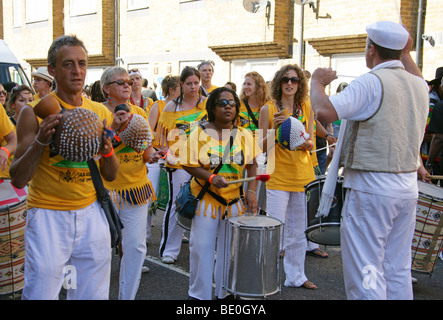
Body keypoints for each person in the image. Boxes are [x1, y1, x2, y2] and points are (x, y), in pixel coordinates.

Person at [310, 21, 429, 300]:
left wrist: (316, 81)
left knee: (367, 269)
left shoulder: (371, 82)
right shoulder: (419, 86)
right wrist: (406, 53)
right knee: (397, 268)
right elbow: (414, 73)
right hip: (406, 188)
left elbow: (325, 111)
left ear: (371, 50)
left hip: (372, 188)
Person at [9, 35, 122, 300]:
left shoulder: (100, 113)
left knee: (91, 294)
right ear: (52, 70)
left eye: (82, 64)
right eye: (68, 64)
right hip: (48, 215)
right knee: (41, 294)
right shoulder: (33, 112)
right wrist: (40, 141)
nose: (77, 71)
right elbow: (17, 178)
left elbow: (111, 174)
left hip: (92, 213)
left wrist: (106, 150)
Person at [183, 87, 260, 300]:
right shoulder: (198, 132)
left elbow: (253, 164)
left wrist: (251, 192)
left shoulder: (245, 134)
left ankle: (224, 292)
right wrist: (209, 177)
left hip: (235, 201)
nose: (228, 107)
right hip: (207, 200)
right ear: (212, 108)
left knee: (229, 251)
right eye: (222, 103)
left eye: (232, 103)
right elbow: (188, 165)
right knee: (201, 249)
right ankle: (199, 296)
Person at [100, 66, 160, 299]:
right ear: (106, 88)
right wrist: (114, 127)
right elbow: (96, 151)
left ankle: (127, 296)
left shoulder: (139, 112)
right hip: (105, 191)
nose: (127, 85)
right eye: (120, 82)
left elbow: (146, 149)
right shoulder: (97, 112)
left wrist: (153, 155)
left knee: (135, 247)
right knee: (100, 250)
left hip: (135, 189)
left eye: (129, 82)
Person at [259, 64, 317, 290]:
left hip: (302, 175)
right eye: (285, 80)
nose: (290, 83)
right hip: (277, 176)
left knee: (298, 230)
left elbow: (312, 143)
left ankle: (296, 276)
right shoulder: (268, 109)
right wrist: (274, 132)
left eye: (294, 80)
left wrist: (304, 142)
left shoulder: (306, 107)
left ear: (300, 84)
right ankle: (266, 277)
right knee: (274, 229)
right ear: (279, 83)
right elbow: (260, 148)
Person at [155, 66, 207, 264]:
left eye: (196, 83)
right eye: (189, 83)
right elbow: (161, 139)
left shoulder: (207, 104)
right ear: (181, 85)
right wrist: (168, 155)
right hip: (178, 165)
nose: (193, 87)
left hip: (203, 163)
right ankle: (169, 249)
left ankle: (201, 249)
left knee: (203, 205)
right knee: (177, 204)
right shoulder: (171, 107)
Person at [146, 75, 181, 241]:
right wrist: (163, 139)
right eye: (182, 87)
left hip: (176, 158)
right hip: (157, 156)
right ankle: (144, 233)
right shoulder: (158, 106)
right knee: (150, 196)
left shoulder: (182, 107)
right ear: (173, 90)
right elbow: (148, 130)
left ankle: (177, 233)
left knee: (176, 198)